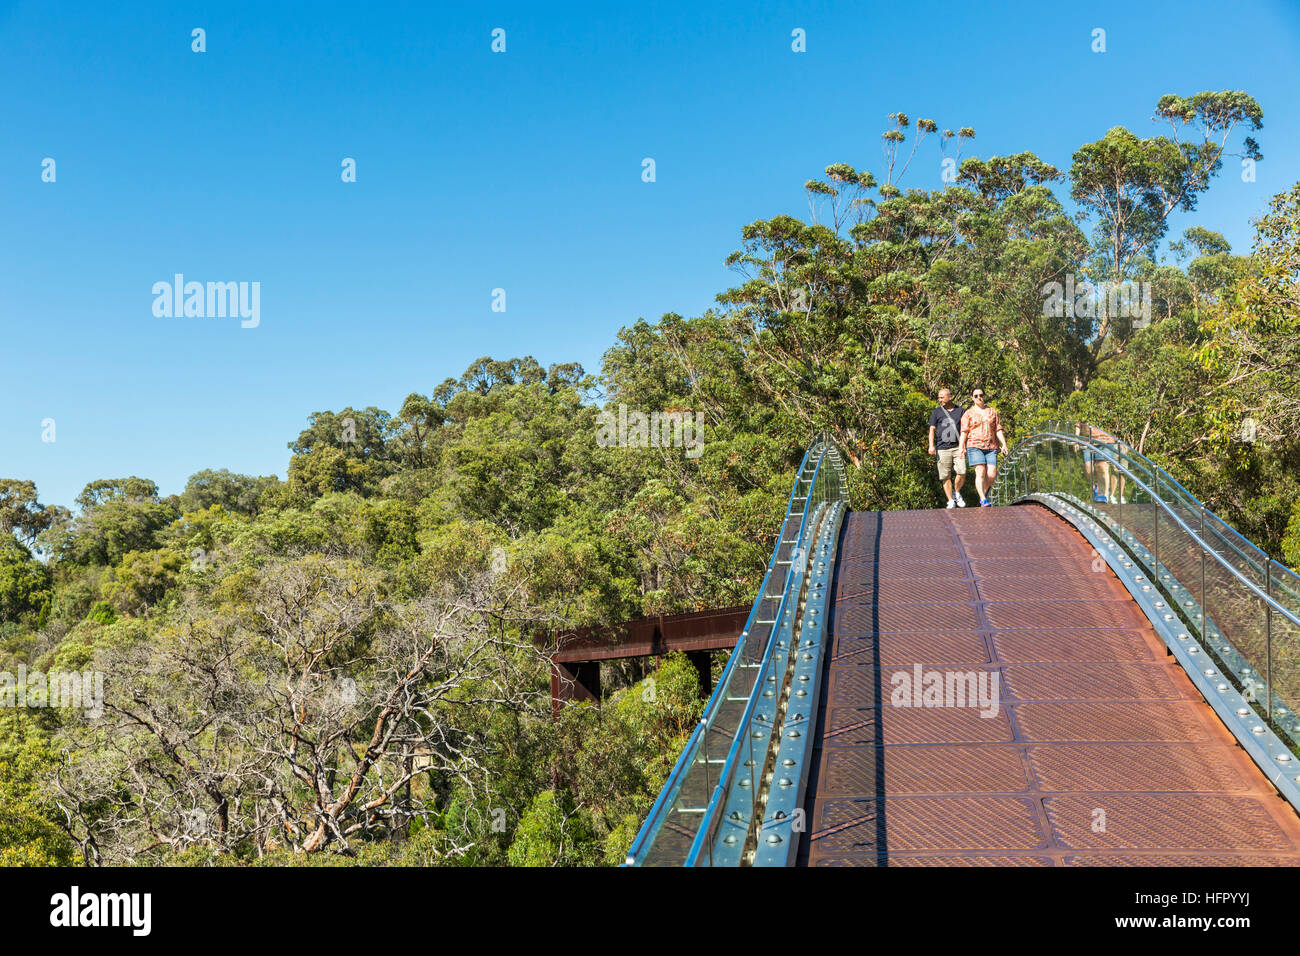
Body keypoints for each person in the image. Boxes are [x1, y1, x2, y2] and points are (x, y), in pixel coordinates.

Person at [957, 388, 1008, 507]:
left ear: (984, 396)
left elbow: (998, 429)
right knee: (980, 472)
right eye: (976, 396)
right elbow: (964, 432)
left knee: (991, 475)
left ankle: (982, 494)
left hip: (991, 446)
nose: (979, 397)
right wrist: (961, 447)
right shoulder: (968, 414)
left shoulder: (992, 411)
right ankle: (983, 499)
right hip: (974, 446)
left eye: (981, 395)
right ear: (972, 398)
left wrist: (1004, 444)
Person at [928, 387, 967, 508]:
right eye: (939, 397)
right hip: (942, 448)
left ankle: (957, 492)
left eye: (942, 397)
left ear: (950, 397)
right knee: (945, 476)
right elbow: (932, 430)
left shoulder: (961, 411)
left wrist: (964, 445)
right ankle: (950, 500)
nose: (940, 399)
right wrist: (931, 445)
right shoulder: (936, 412)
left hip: (957, 447)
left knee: (962, 471)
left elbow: (966, 430)